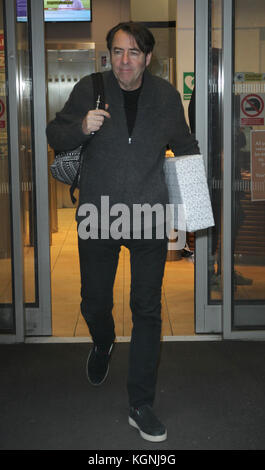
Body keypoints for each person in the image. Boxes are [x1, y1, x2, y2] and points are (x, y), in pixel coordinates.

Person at [46, 21, 199, 443]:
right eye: (117, 52)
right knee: (95, 300)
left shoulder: (166, 96)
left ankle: (140, 403)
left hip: (149, 215)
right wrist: (81, 128)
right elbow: (53, 133)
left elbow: (185, 146)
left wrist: (193, 208)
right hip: (98, 213)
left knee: (146, 308)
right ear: (108, 55)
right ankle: (103, 340)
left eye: (133, 52)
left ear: (148, 58)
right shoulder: (89, 88)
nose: (124, 61)